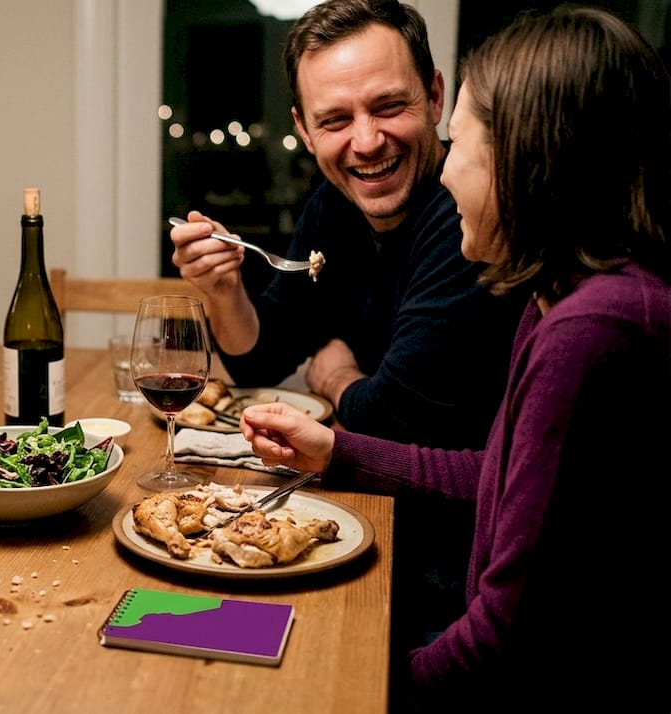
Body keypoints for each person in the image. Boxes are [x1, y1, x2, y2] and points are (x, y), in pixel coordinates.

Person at [239, 7, 671, 711]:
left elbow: (503, 645)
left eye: (461, 141)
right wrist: (334, 452)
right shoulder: (561, 302)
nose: (444, 176)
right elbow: (498, 479)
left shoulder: (594, 332)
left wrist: (341, 692)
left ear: (528, 161)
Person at [172, 0, 523, 657]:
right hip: (362, 508)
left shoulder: (466, 217)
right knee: (179, 621)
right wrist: (222, 290)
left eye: (388, 106)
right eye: (336, 119)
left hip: (450, 564)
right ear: (305, 130)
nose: (365, 142)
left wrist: (334, 376)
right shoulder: (331, 207)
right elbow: (260, 354)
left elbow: (390, 419)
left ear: (436, 95)